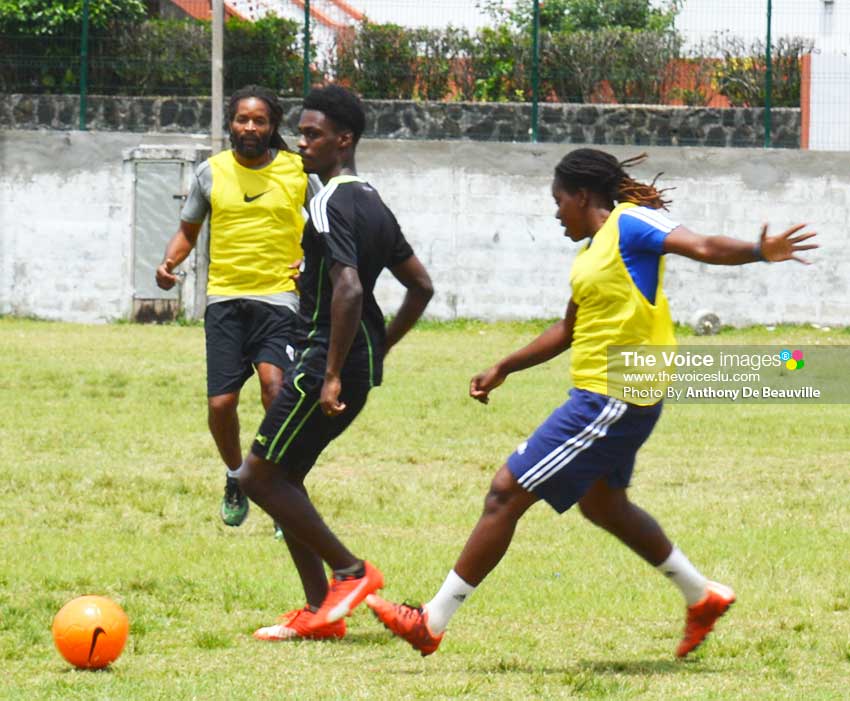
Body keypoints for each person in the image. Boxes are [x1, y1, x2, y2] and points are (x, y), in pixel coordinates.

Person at [366, 148, 818, 658]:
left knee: (505, 492)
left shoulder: (631, 225)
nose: (555, 212)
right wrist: (505, 366)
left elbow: (703, 245)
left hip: (616, 393)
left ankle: (431, 621)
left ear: (583, 196)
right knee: (603, 504)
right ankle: (702, 595)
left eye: (558, 201)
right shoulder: (591, 256)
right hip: (607, 393)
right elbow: (569, 328)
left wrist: (758, 251)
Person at [233, 85, 434, 641]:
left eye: (313, 135)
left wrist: (332, 373)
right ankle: (320, 610)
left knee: (255, 475)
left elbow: (347, 290)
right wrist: (379, 346)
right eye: (300, 133)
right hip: (354, 357)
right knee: (284, 478)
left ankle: (350, 573)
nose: (302, 144)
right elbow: (420, 286)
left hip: (327, 358)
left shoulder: (327, 200)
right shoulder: (370, 199)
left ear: (344, 141)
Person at [156, 85, 310, 534]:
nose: (249, 127)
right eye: (242, 119)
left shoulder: (298, 171)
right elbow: (187, 230)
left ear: (272, 126)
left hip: (280, 298)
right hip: (225, 299)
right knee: (221, 403)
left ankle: (282, 487)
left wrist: (311, 260)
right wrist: (169, 263)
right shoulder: (211, 173)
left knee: (274, 387)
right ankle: (237, 475)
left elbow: (326, 223)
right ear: (230, 123)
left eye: (259, 121)